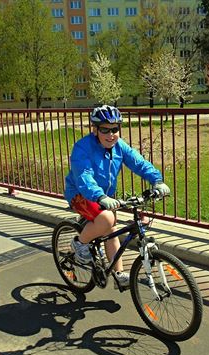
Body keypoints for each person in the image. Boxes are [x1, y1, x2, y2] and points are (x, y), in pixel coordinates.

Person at [64, 105, 170, 289]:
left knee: (111, 229)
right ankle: (79, 244)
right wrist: (99, 196)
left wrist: (157, 180)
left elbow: (139, 163)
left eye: (115, 129)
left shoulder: (119, 146)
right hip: (81, 193)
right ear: (95, 129)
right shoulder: (82, 147)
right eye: (105, 129)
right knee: (107, 218)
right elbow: (84, 177)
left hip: (103, 196)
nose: (111, 134)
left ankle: (119, 274)